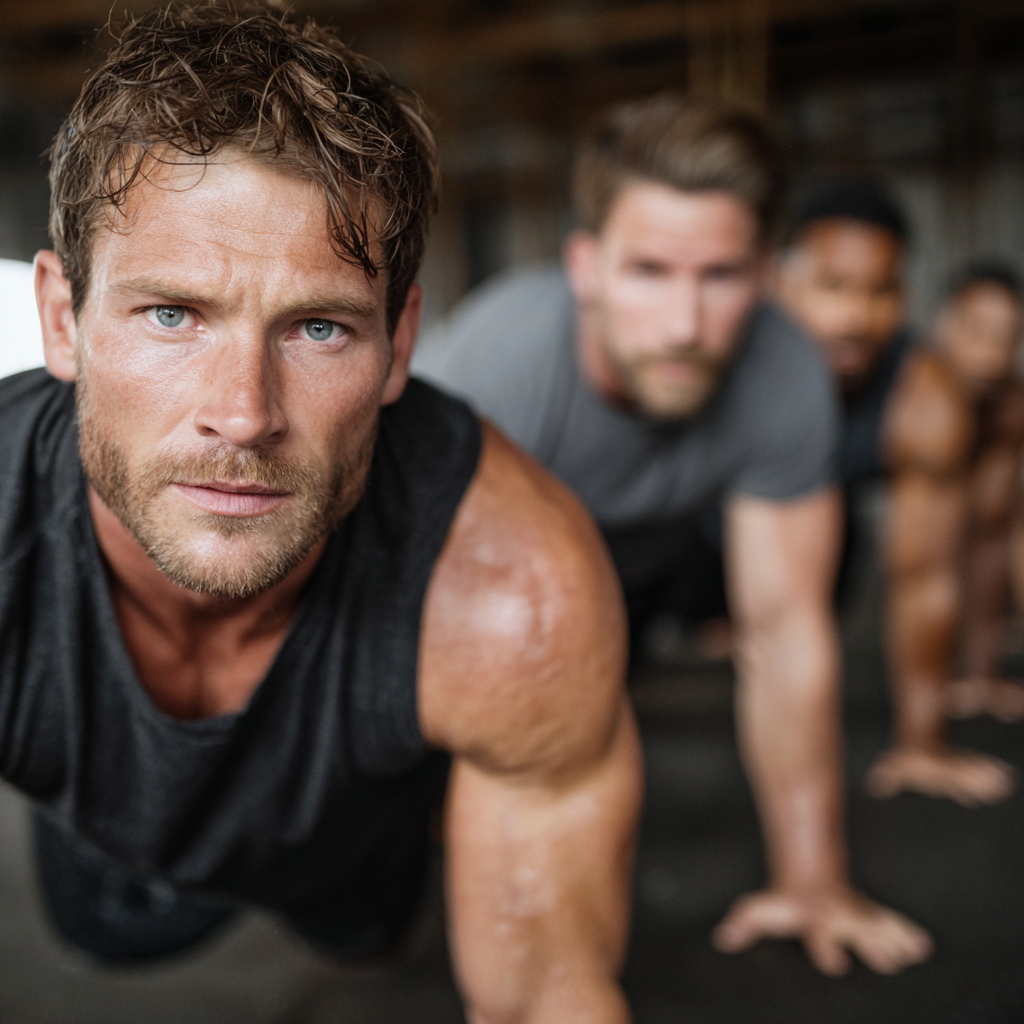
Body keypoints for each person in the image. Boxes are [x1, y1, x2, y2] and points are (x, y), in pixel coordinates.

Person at [1, 8, 643, 1021]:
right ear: (61, 319)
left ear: (397, 345)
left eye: (318, 326)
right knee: (108, 930)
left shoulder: (515, 593)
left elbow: (543, 1000)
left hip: (349, 837)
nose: (244, 414)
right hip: (107, 822)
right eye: (172, 313)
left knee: (373, 942)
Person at [415, 94, 932, 976]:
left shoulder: (783, 370)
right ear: (586, 266)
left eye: (720, 276)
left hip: (643, 555)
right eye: (649, 271)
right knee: (379, 910)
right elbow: (419, 620)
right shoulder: (501, 365)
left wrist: (814, 877)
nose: (685, 325)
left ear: (767, 274)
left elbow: (786, 634)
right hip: (460, 571)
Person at [778, 180, 1024, 806]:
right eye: (832, 286)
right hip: (709, 528)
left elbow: (926, 579)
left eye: (879, 291)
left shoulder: (927, 395)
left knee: (831, 567)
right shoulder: (735, 360)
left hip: (829, 523)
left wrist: (921, 741)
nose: (855, 317)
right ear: (783, 282)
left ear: (905, 295)